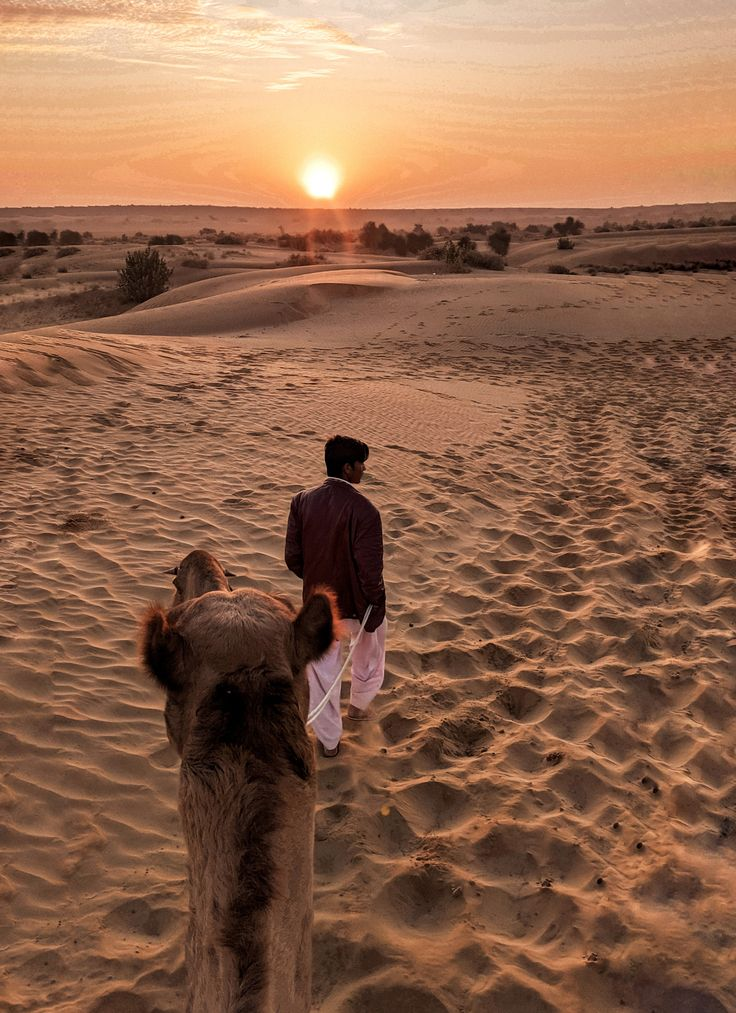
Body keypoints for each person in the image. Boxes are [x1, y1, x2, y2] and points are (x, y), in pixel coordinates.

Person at [285, 435, 386, 757]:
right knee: (369, 653)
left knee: (322, 673)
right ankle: (358, 707)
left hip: (319, 609)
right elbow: (370, 570)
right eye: (361, 465)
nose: (364, 471)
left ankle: (329, 743)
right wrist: (377, 605)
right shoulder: (366, 511)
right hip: (358, 607)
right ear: (347, 467)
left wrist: (317, 580)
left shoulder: (301, 500)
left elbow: (293, 559)